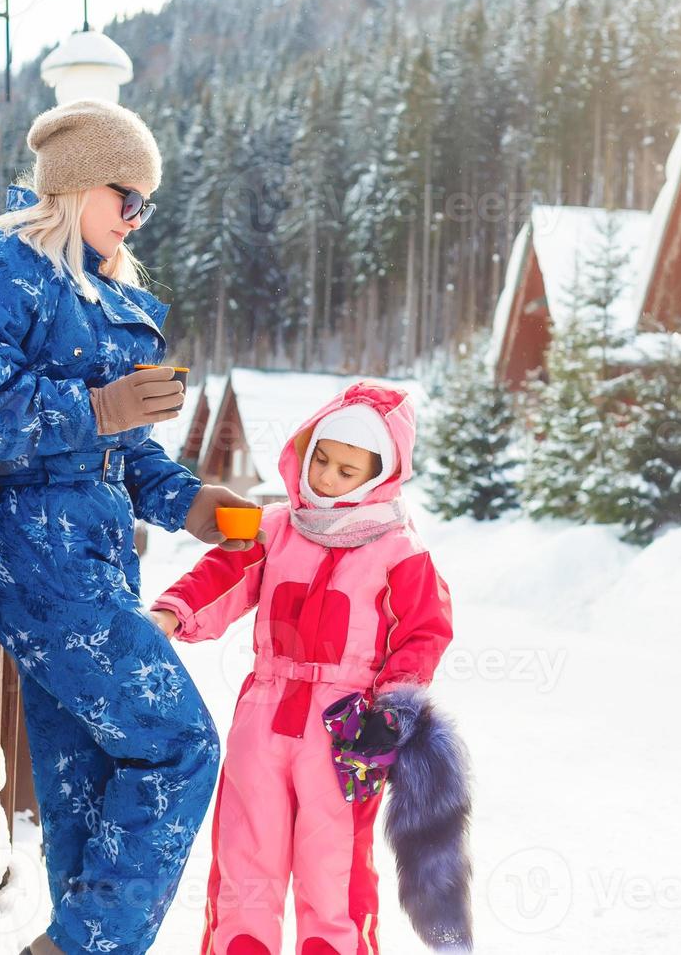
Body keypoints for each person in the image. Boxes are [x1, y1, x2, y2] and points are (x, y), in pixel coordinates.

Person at [0, 97, 264, 955]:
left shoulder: (109, 292)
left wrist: (194, 505)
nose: (137, 218)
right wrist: (99, 404)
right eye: (128, 197)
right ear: (78, 185)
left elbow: (126, 453)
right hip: (40, 559)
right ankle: (78, 947)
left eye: (147, 204)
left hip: (100, 557)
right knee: (181, 747)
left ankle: (78, 937)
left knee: (88, 784)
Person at [147, 382, 462, 955]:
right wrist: (173, 612)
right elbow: (224, 572)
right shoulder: (275, 524)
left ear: (377, 475)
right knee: (247, 857)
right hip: (264, 712)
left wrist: (391, 713)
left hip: (350, 726)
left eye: (347, 470)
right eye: (320, 458)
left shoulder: (400, 551)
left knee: (332, 871)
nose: (326, 477)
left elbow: (423, 633)